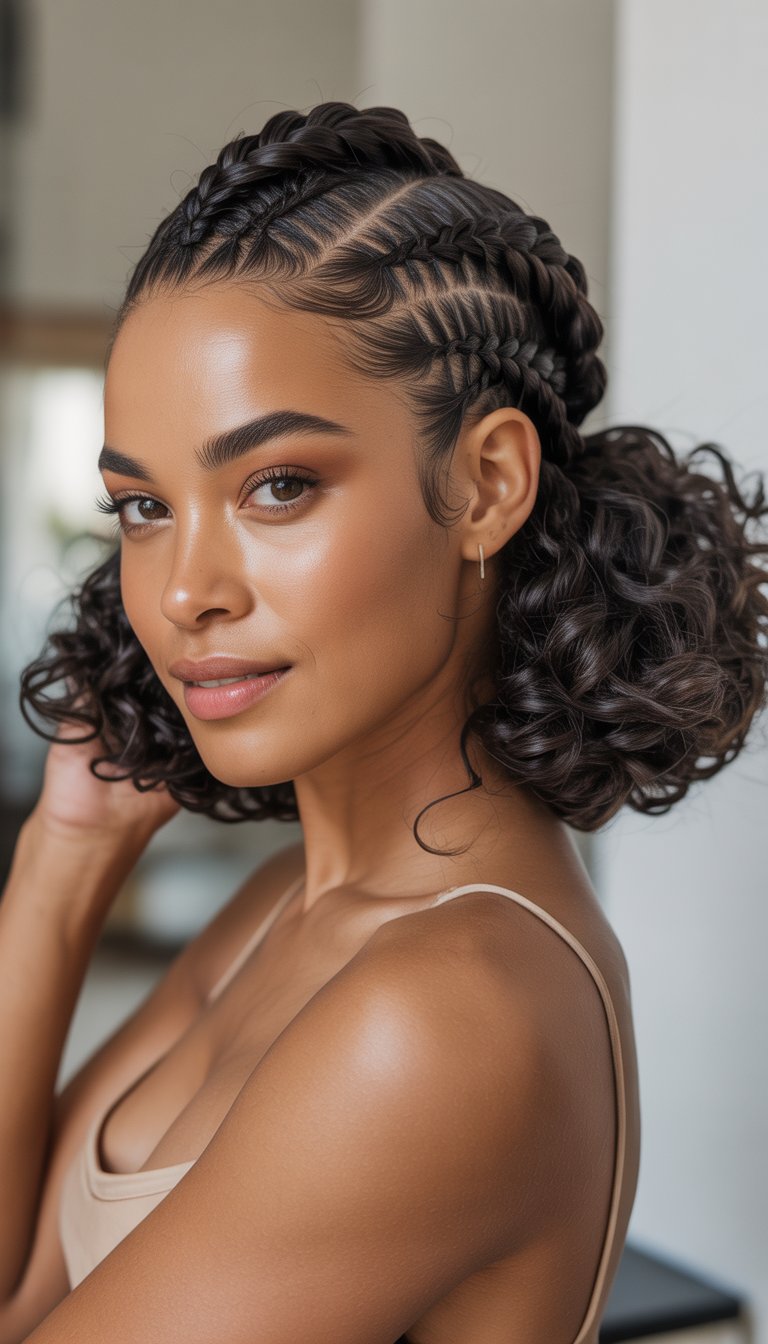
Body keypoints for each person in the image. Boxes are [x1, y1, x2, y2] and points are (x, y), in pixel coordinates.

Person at [1, 100, 766, 1344]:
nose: (186, 589)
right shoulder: (293, 910)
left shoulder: (444, 1013)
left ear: (488, 484)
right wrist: (64, 862)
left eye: (278, 486)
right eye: (144, 508)